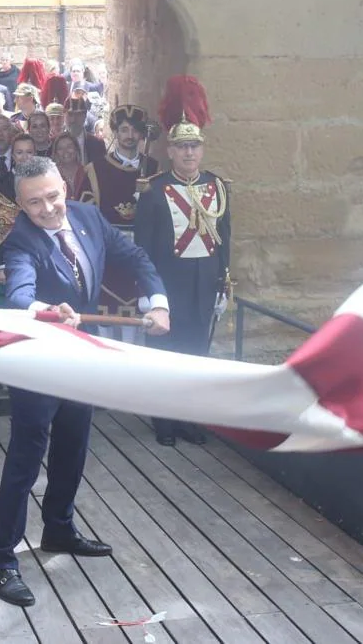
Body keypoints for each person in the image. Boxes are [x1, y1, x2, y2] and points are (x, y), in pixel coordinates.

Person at [0, 157, 170, 606]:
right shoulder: (19, 241)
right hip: (38, 359)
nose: (48, 208)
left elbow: (136, 256)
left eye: (53, 195)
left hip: (80, 355)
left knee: (74, 442)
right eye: (34, 202)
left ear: (65, 186)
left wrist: (158, 302)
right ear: (21, 205)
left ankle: (59, 529)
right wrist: (49, 309)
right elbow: (19, 296)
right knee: (27, 458)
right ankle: (3, 558)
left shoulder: (88, 215)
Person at [134, 75, 231, 447]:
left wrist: (224, 283)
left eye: (194, 146)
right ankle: (165, 421)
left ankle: (190, 419)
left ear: (201, 150)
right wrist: (147, 292)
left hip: (204, 283)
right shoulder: (154, 191)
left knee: (195, 353)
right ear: (170, 151)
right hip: (167, 286)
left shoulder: (217, 187)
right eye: (181, 147)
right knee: (165, 353)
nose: (189, 153)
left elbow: (225, 241)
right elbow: (142, 248)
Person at [87, 105, 158, 339]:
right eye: (124, 130)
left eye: (134, 131)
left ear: (141, 134)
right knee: (104, 321)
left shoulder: (155, 169)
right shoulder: (95, 169)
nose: (129, 136)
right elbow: (86, 217)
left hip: (142, 249)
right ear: (115, 133)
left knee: (137, 322)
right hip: (109, 251)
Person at [0, 133, 36, 301]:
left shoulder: (44, 182)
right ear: (13, 155)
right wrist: (0, 264)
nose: (25, 157)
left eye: (29, 152)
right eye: (20, 152)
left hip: (38, 253)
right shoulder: (1, 184)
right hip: (8, 256)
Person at [51, 133, 96, 202]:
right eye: (60, 148)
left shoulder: (88, 173)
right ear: (56, 153)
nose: (65, 151)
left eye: (69, 147)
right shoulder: (52, 176)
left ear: (76, 149)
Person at [64, 96, 105, 164]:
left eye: (78, 115)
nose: (73, 120)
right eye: (70, 114)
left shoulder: (97, 144)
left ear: (85, 115)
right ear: (64, 115)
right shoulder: (54, 143)